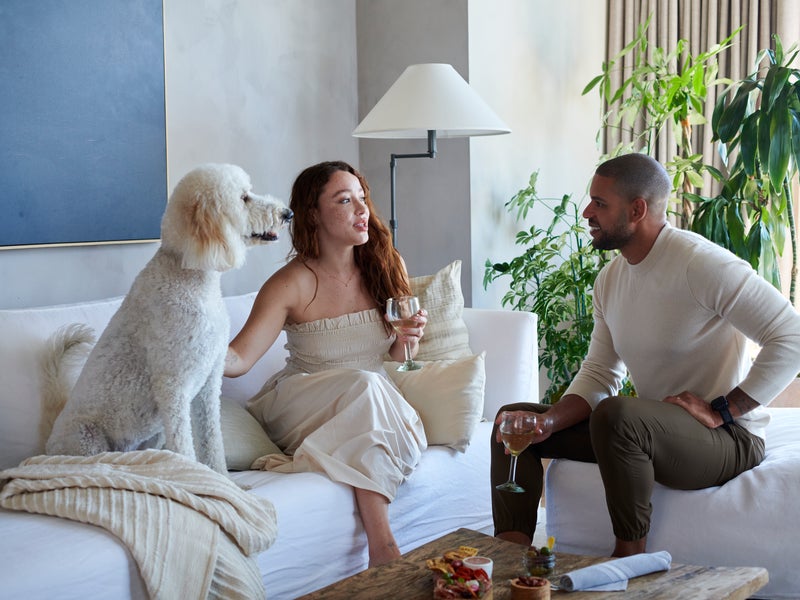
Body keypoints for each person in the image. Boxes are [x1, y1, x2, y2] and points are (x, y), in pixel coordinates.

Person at [491, 152, 800, 557]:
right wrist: (547, 421)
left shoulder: (702, 265)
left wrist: (725, 409)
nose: (587, 212)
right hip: (657, 433)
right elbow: (601, 372)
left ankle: (629, 558)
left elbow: (791, 337)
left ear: (637, 209)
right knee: (511, 421)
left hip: (728, 440)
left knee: (618, 415)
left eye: (600, 203)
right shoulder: (611, 280)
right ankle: (510, 560)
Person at [224, 160, 428, 566]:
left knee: (367, 388)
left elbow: (396, 358)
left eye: (362, 198)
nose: (361, 209)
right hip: (301, 400)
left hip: (368, 401)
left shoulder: (387, 267)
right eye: (344, 200)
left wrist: (407, 340)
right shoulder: (290, 282)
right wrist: (186, 338)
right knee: (365, 388)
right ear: (313, 214)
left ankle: (381, 553)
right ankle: (383, 546)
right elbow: (239, 359)